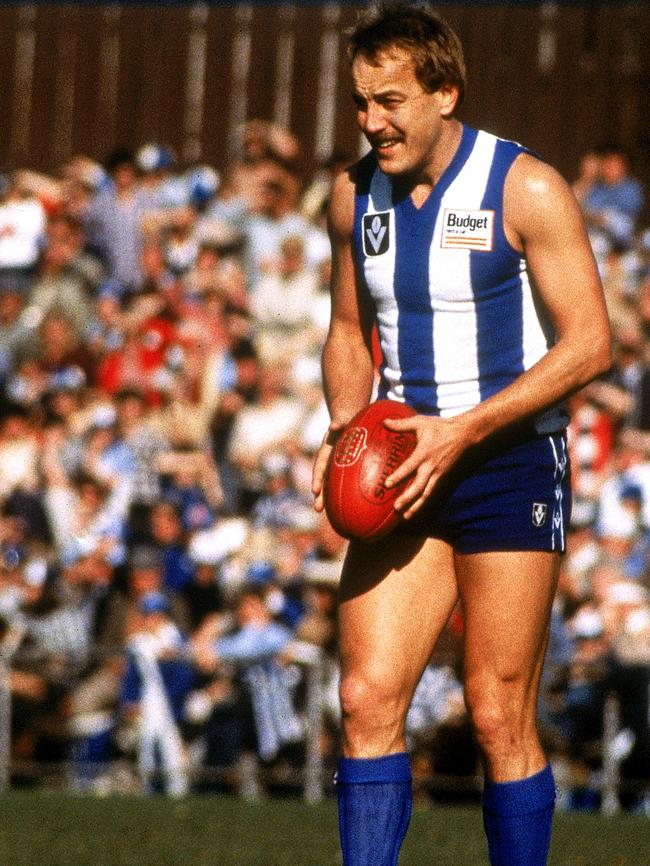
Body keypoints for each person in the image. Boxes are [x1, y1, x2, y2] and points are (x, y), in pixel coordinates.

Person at [311, 3, 612, 865]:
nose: (372, 121)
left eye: (391, 100)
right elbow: (345, 329)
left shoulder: (526, 186)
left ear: (446, 92)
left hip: (509, 461)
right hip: (402, 463)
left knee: (495, 709)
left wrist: (465, 430)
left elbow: (591, 340)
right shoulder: (351, 193)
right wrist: (344, 426)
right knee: (366, 698)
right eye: (362, 101)